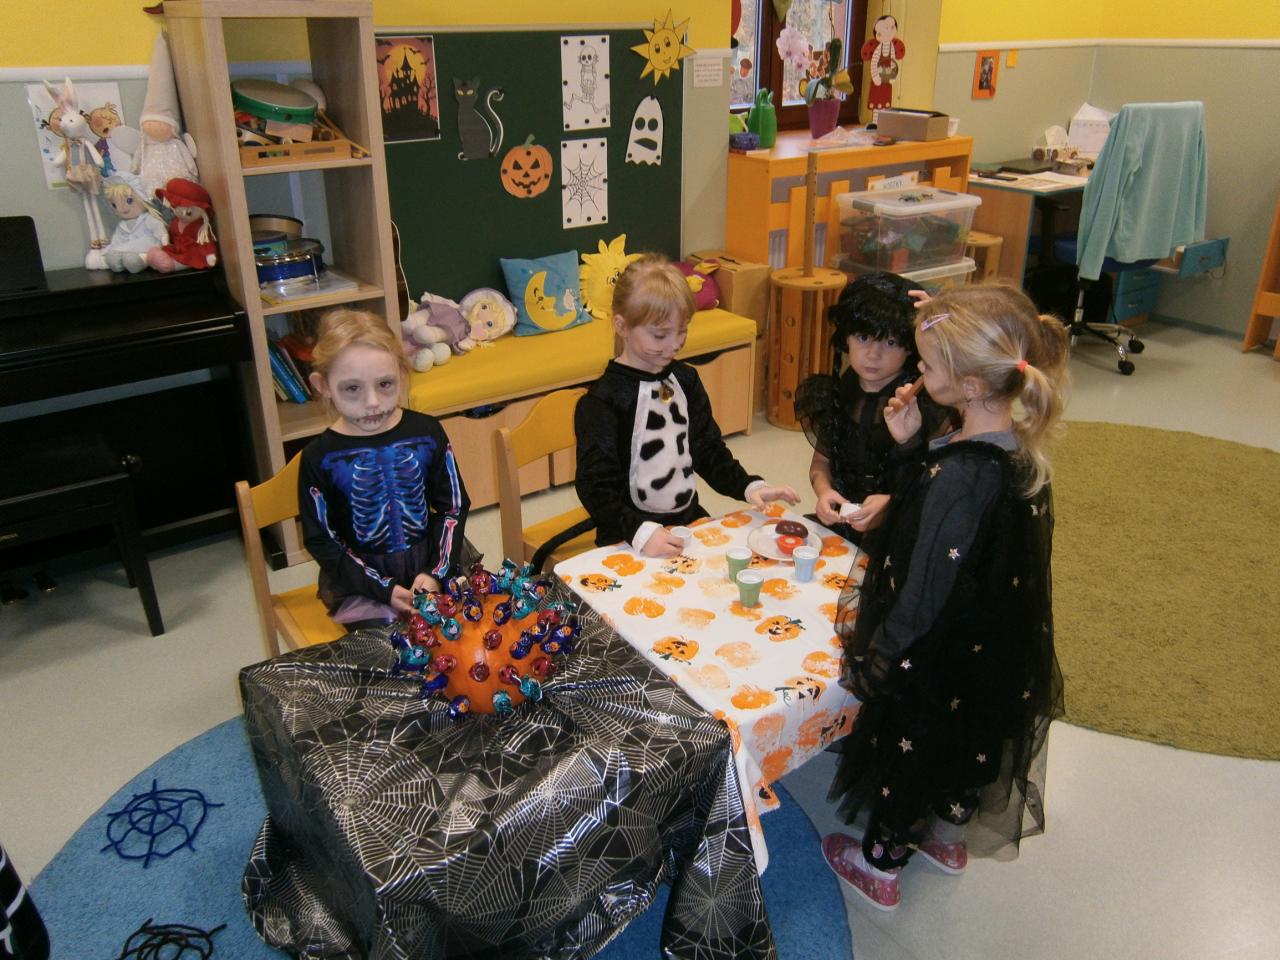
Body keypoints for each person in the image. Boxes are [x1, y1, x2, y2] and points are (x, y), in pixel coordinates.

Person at [821, 284, 1068, 911]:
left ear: (972, 384)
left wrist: (883, 656)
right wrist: (911, 444)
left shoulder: (964, 475)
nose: (916, 374)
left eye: (928, 365)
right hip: (983, 653)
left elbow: (927, 580)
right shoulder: (1010, 448)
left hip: (935, 652)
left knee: (911, 749)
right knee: (962, 746)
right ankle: (945, 839)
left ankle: (880, 866)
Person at [575, 254, 799, 557]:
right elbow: (595, 487)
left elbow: (707, 449)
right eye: (660, 335)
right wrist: (640, 532)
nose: (675, 344)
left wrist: (749, 486)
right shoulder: (602, 401)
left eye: (682, 330)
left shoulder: (685, 379)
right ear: (622, 326)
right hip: (628, 535)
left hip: (688, 522)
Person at [299, 308, 469, 629]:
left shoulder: (427, 432)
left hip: (433, 564)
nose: (373, 402)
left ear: (402, 374)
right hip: (363, 584)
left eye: (385, 384)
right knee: (388, 651)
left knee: (467, 630)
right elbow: (322, 538)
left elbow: (453, 506)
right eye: (352, 388)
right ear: (323, 385)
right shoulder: (319, 456)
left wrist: (436, 572)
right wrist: (383, 589)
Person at [795, 272, 953, 545]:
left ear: (911, 347)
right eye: (863, 337)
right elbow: (821, 462)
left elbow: (936, 484)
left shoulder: (926, 403)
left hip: (902, 530)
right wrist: (824, 492)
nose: (873, 354)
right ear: (846, 338)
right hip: (844, 522)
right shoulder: (838, 392)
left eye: (890, 342)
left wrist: (892, 503)